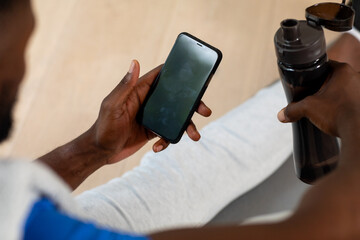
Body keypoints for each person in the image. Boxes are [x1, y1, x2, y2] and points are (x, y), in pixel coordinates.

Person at [1, 0, 360, 239]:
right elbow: (329, 225)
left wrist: (92, 148)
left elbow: (11, 190)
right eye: (20, 48)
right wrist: (353, 116)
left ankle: (352, 45)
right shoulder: (43, 230)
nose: (23, 69)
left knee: (189, 172)